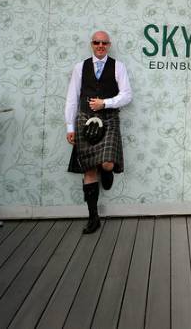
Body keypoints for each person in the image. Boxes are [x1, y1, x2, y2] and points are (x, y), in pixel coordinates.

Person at [65, 30, 133, 234]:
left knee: (107, 162)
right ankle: (93, 217)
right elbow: (72, 98)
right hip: (85, 120)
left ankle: (107, 170)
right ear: (91, 44)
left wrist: (105, 103)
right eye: (97, 42)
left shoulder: (118, 66)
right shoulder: (80, 67)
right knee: (89, 169)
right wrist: (69, 126)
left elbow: (127, 95)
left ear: (109, 45)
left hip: (109, 118)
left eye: (104, 43)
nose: (100, 46)